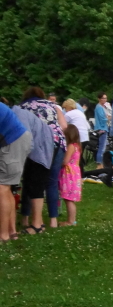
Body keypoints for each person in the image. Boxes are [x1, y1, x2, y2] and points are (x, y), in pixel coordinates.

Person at [19, 86, 67, 230]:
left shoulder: (23, 107)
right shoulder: (53, 105)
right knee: (52, 182)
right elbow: (64, 126)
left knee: (29, 181)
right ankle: (53, 220)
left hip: (36, 146)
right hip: (57, 143)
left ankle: (25, 218)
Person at [10, 103, 52, 237]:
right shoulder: (16, 113)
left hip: (39, 152)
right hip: (36, 151)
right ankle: (35, 222)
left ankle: (37, 225)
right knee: (30, 185)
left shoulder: (18, 114)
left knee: (36, 186)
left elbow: (27, 141)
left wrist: (18, 161)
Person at [0, 102, 32, 244]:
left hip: (12, 142)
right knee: (6, 189)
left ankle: (3, 235)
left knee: (2, 188)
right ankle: (11, 232)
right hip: (17, 140)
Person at [59, 125, 82, 226]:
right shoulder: (77, 146)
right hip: (75, 172)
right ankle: (72, 220)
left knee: (68, 198)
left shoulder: (71, 146)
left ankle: (71, 221)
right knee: (70, 198)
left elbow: (65, 161)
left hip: (69, 174)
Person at [62, 99, 90, 170]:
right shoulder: (80, 112)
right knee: (79, 156)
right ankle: (81, 173)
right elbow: (88, 126)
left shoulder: (69, 114)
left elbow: (63, 125)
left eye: (65, 108)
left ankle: (79, 174)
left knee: (76, 158)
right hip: (85, 137)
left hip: (78, 137)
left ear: (68, 107)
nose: (65, 110)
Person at [93, 93, 110, 167]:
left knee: (102, 146)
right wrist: (110, 118)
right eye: (103, 98)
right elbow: (103, 118)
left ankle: (100, 162)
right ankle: (99, 163)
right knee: (102, 147)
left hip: (103, 127)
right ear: (99, 99)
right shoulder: (99, 107)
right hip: (102, 128)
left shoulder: (102, 107)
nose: (105, 100)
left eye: (105, 98)